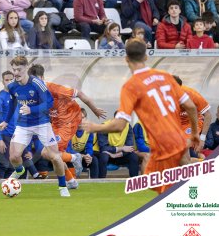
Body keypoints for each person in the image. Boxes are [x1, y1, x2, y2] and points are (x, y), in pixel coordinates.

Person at [84, 38, 199, 194]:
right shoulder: (165, 76)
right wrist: (194, 132)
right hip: (178, 136)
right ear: (146, 57)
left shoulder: (131, 86)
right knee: (161, 180)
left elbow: (119, 125)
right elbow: (191, 106)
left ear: (126, 59)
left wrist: (94, 127)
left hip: (163, 142)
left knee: (158, 183)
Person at [0, 56, 71, 197]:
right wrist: (6, 121)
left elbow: (49, 103)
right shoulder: (12, 86)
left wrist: (32, 110)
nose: (16, 72)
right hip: (23, 124)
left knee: (55, 157)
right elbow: (13, 103)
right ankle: (19, 170)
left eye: (19, 69)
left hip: (42, 123)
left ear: (26, 68)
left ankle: (62, 186)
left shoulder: (37, 83)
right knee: (13, 156)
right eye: (14, 69)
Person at [28, 64, 107, 187]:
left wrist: (95, 110)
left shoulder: (54, 88)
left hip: (69, 120)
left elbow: (80, 94)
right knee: (52, 156)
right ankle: (71, 181)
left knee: (49, 153)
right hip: (56, 122)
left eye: (38, 80)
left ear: (43, 78)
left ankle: (75, 158)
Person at [0, 71, 46, 179]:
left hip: (17, 133)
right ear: (3, 82)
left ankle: (34, 174)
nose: (9, 82)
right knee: (5, 163)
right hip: (5, 134)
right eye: (6, 80)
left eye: (11, 79)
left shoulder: (18, 96)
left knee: (23, 156)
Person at [173, 75, 212, 158]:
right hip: (177, 123)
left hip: (192, 122)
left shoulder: (192, 94)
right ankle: (195, 163)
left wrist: (202, 138)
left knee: (183, 145)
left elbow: (208, 115)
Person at [96, 112, 140, 178]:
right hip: (108, 154)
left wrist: (116, 155)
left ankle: (135, 182)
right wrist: (121, 148)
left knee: (134, 157)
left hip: (121, 155)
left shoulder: (128, 127)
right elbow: (103, 148)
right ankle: (101, 181)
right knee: (103, 157)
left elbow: (129, 148)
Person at [66, 108, 99, 178]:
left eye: (83, 118)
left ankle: (95, 183)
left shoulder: (89, 131)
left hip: (82, 156)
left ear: (86, 119)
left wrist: (88, 155)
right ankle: (70, 182)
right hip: (71, 156)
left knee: (94, 160)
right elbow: (68, 150)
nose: (80, 120)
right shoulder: (68, 130)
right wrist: (82, 156)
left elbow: (89, 146)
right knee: (68, 159)